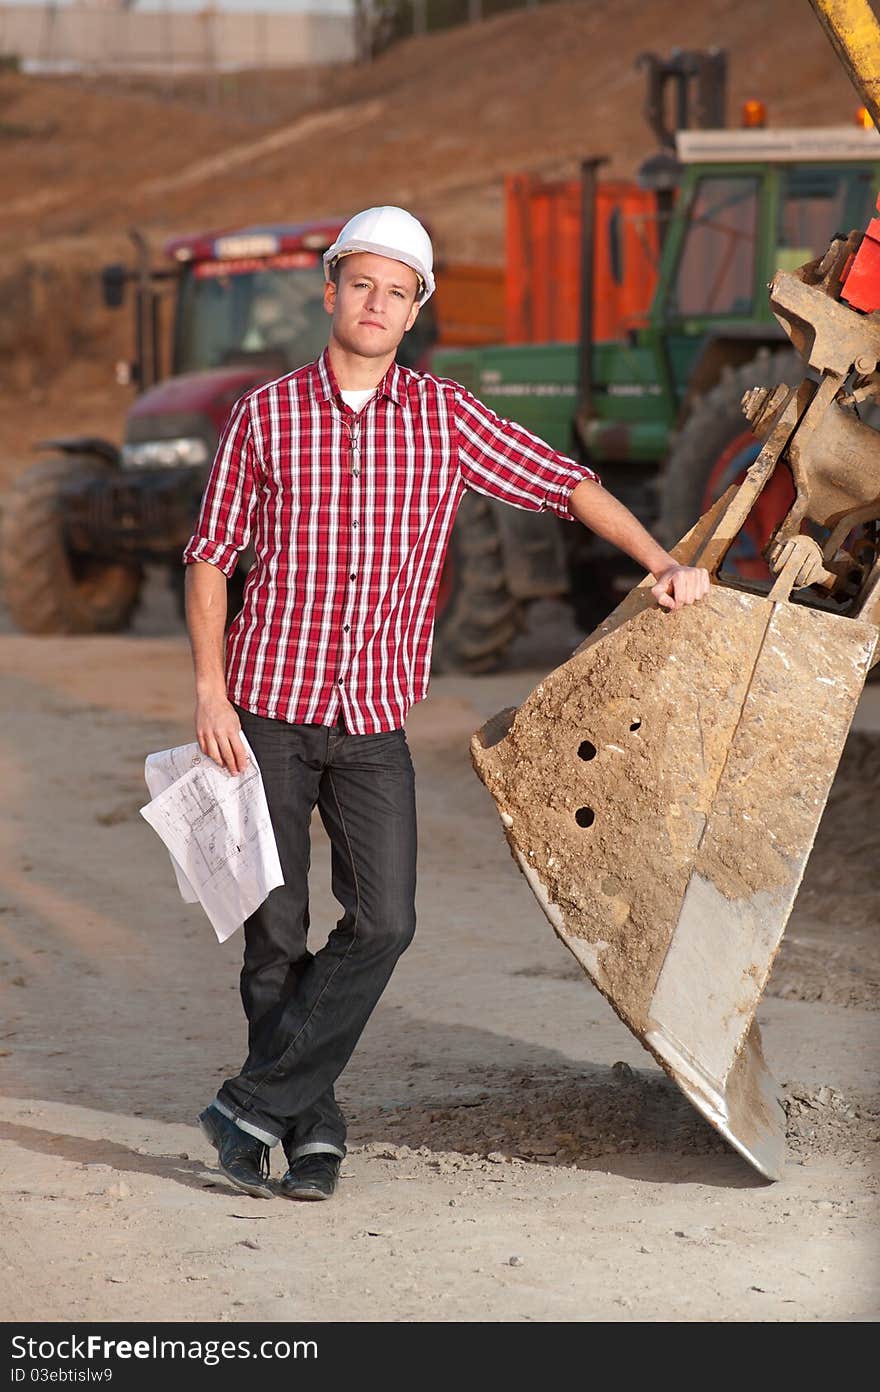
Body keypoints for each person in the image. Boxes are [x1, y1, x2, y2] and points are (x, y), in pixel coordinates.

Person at [182, 206, 709, 1203]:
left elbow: (565, 483)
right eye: (362, 285)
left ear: (415, 310)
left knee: (386, 920)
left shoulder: (445, 417)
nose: (376, 305)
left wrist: (663, 561)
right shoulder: (265, 416)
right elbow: (210, 559)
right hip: (264, 711)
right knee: (274, 932)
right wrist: (208, 692)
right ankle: (306, 1125)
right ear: (331, 290)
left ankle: (254, 1102)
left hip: (374, 718)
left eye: (398, 292)